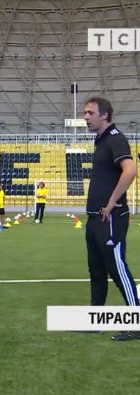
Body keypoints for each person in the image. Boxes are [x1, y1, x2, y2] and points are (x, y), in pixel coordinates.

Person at [83, 96, 140, 341]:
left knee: (117, 269)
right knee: (96, 272)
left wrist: (110, 202)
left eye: (90, 113)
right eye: (85, 113)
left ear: (104, 115)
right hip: (95, 219)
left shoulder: (116, 138)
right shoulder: (101, 141)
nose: (86, 117)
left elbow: (131, 171)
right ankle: (95, 322)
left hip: (111, 217)